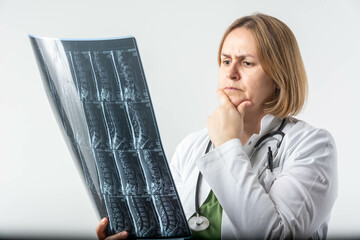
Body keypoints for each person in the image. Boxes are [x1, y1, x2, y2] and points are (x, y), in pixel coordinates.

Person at [96, 13, 337, 239]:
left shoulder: (312, 146)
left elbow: (274, 235)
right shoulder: (191, 146)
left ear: (278, 76)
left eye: (247, 63)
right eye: (226, 61)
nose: (231, 73)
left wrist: (227, 145)